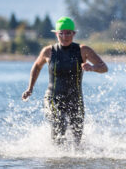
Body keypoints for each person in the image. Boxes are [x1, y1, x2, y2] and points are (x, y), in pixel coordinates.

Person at [22, 16, 108, 145]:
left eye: (68, 33)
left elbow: (104, 68)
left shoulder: (83, 50)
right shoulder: (48, 51)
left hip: (75, 99)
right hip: (53, 98)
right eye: (61, 33)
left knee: (77, 137)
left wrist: (92, 67)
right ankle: (56, 158)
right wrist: (30, 88)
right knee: (59, 122)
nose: (65, 36)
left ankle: (73, 161)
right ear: (56, 34)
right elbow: (36, 66)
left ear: (74, 34)